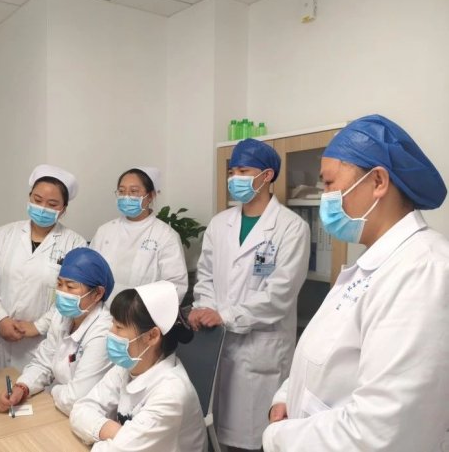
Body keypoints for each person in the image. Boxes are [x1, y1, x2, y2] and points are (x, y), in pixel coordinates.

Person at [263, 115, 449, 452]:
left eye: (329, 183)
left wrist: (277, 437)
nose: (324, 197)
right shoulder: (374, 264)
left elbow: (382, 431)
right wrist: (287, 396)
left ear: (378, 181)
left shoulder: (423, 270)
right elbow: (329, 357)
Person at [188, 138, 310, 452]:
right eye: (232, 171)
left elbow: (279, 294)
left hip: (261, 350)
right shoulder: (220, 224)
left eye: (243, 171)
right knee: (214, 431)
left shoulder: (291, 228)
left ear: (267, 175)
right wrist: (204, 307)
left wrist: (225, 316)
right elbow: (205, 276)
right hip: (217, 345)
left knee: (255, 439)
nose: (234, 178)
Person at [70, 280, 205, 452]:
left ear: (152, 336)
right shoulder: (128, 366)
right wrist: (119, 433)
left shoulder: (171, 395)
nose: (110, 332)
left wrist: (114, 437)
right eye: (113, 323)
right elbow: (80, 410)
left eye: (119, 327)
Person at [0, 164, 87, 370]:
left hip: (43, 342)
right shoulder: (4, 234)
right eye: (37, 200)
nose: (43, 208)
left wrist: (38, 326)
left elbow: (73, 294)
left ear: (63, 209)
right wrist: (1, 318)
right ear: (29, 198)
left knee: (34, 385)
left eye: (52, 204)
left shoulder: (74, 243)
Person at [0, 247, 114, 416]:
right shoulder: (62, 315)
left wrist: (52, 390)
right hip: (60, 409)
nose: (62, 292)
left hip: (91, 418)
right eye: (59, 284)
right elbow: (44, 362)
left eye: (70, 287)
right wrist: (22, 387)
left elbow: (76, 399)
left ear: (97, 294)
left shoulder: (104, 332)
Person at [90, 167, 188, 303]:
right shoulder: (104, 231)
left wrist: (140, 311)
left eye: (134, 191)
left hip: (143, 313)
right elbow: (89, 273)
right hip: (102, 312)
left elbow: (175, 286)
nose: (126, 197)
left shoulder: (165, 235)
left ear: (150, 196)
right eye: (122, 191)